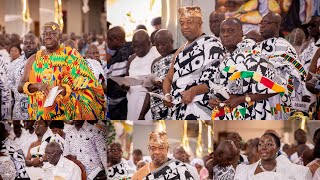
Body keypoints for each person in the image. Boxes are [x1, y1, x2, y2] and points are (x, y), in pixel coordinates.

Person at [18, 22, 106, 120]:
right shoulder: (34, 59)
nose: (47, 36)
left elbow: (90, 85)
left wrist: (65, 90)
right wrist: (37, 86)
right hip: (38, 116)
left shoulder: (71, 55)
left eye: (52, 33)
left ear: (60, 36)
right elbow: (20, 86)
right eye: (45, 34)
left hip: (64, 117)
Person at [208, 18, 284, 120]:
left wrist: (242, 99)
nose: (225, 34)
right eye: (223, 31)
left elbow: (277, 87)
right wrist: (213, 100)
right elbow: (219, 87)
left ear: (241, 33)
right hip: (228, 115)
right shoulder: (226, 56)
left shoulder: (252, 53)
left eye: (230, 31)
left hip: (252, 113)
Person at [163, 6, 225, 120]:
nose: (185, 26)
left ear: (200, 23)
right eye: (182, 23)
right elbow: (168, 79)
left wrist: (194, 91)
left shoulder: (212, 45)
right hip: (179, 110)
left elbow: (219, 79)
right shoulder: (179, 51)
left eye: (189, 22)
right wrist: (167, 95)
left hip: (203, 108)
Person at [259, 12, 308, 119]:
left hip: (280, 98)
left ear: (277, 25)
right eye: (261, 22)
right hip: (259, 100)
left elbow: (298, 74)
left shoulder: (286, 47)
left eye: (266, 22)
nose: (261, 25)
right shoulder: (257, 48)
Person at [235, 133, 312, 180]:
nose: (263, 147)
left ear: (278, 149)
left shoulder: (292, 170)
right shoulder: (244, 170)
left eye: (269, 144)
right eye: (260, 144)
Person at [139, 29, 176, 120]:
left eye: (163, 44)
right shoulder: (155, 63)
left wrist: (163, 85)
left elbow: (182, 85)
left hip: (172, 108)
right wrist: (142, 114)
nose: (160, 47)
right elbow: (150, 92)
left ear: (171, 41)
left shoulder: (178, 57)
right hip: (156, 111)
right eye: (157, 45)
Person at [131, 131, 199, 179]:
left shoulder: (181, 169)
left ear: (167, 149)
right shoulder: (138, 176)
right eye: (153, 148)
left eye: (161, 148)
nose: (157, 152)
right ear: (149, 149)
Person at [126, 30, 160, 120]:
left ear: (149, 44)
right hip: (132, 101)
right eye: (134, 46)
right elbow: (127, 80)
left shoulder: (157, 56)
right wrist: (124, 86)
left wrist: (142, 115)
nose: (137, 49)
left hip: (149, 103)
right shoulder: (132, 59)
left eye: (141, 46)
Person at [7, 33, 38, 120]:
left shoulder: (45, 62)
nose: (28, 45)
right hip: (20, 109)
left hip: (39, 108)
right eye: (26, 43)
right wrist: (17, 90)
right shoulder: (15, 63)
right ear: (22, 45)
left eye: (32, 43)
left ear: (37, 44)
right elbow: (9, 81)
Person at [106, 26, 134, 120]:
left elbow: (116, 85)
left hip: (120, 104)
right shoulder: (132, 48)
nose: (107, 43)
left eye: (108, 40)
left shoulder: (120, 55)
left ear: (116, 40)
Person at [0, 34, 12, 120]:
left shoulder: (3, 56)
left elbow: (4, 82)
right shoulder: (7, 55)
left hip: (4, 98)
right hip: (7, 97)